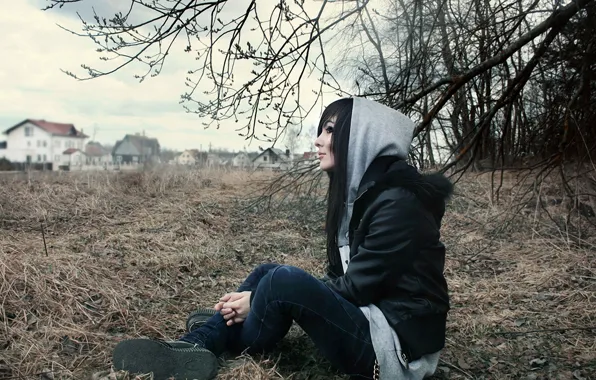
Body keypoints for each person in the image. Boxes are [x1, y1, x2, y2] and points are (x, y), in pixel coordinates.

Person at [112, 97, 452, 380]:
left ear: (362, 137)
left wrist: (257, 299)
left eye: (330, 130)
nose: (318, 140)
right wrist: (258, 295)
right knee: (267, 272)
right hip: (374, 321)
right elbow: (343, 279)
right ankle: (202, 341)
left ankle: (213, 333)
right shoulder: (364, 197)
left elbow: (356, 288)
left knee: (279, 282)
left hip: (396, 351)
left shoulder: (399, 204)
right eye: (320, 130)